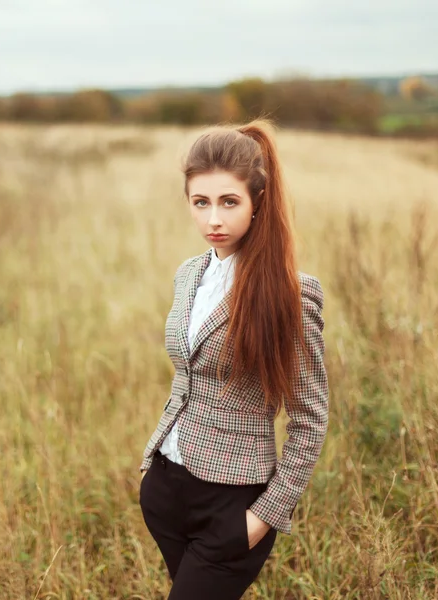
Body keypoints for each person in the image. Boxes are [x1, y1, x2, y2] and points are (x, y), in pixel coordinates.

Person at [138, 119, 329, 599]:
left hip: (233, 505)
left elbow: (310, 418)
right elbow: (188, 377)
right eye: (200, 203)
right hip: (166, 487)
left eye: (229, 202)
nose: (213, 221)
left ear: (257, 201)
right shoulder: (190, 274)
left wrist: (262, 518)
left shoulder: (290, 294)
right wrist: (150, 468)